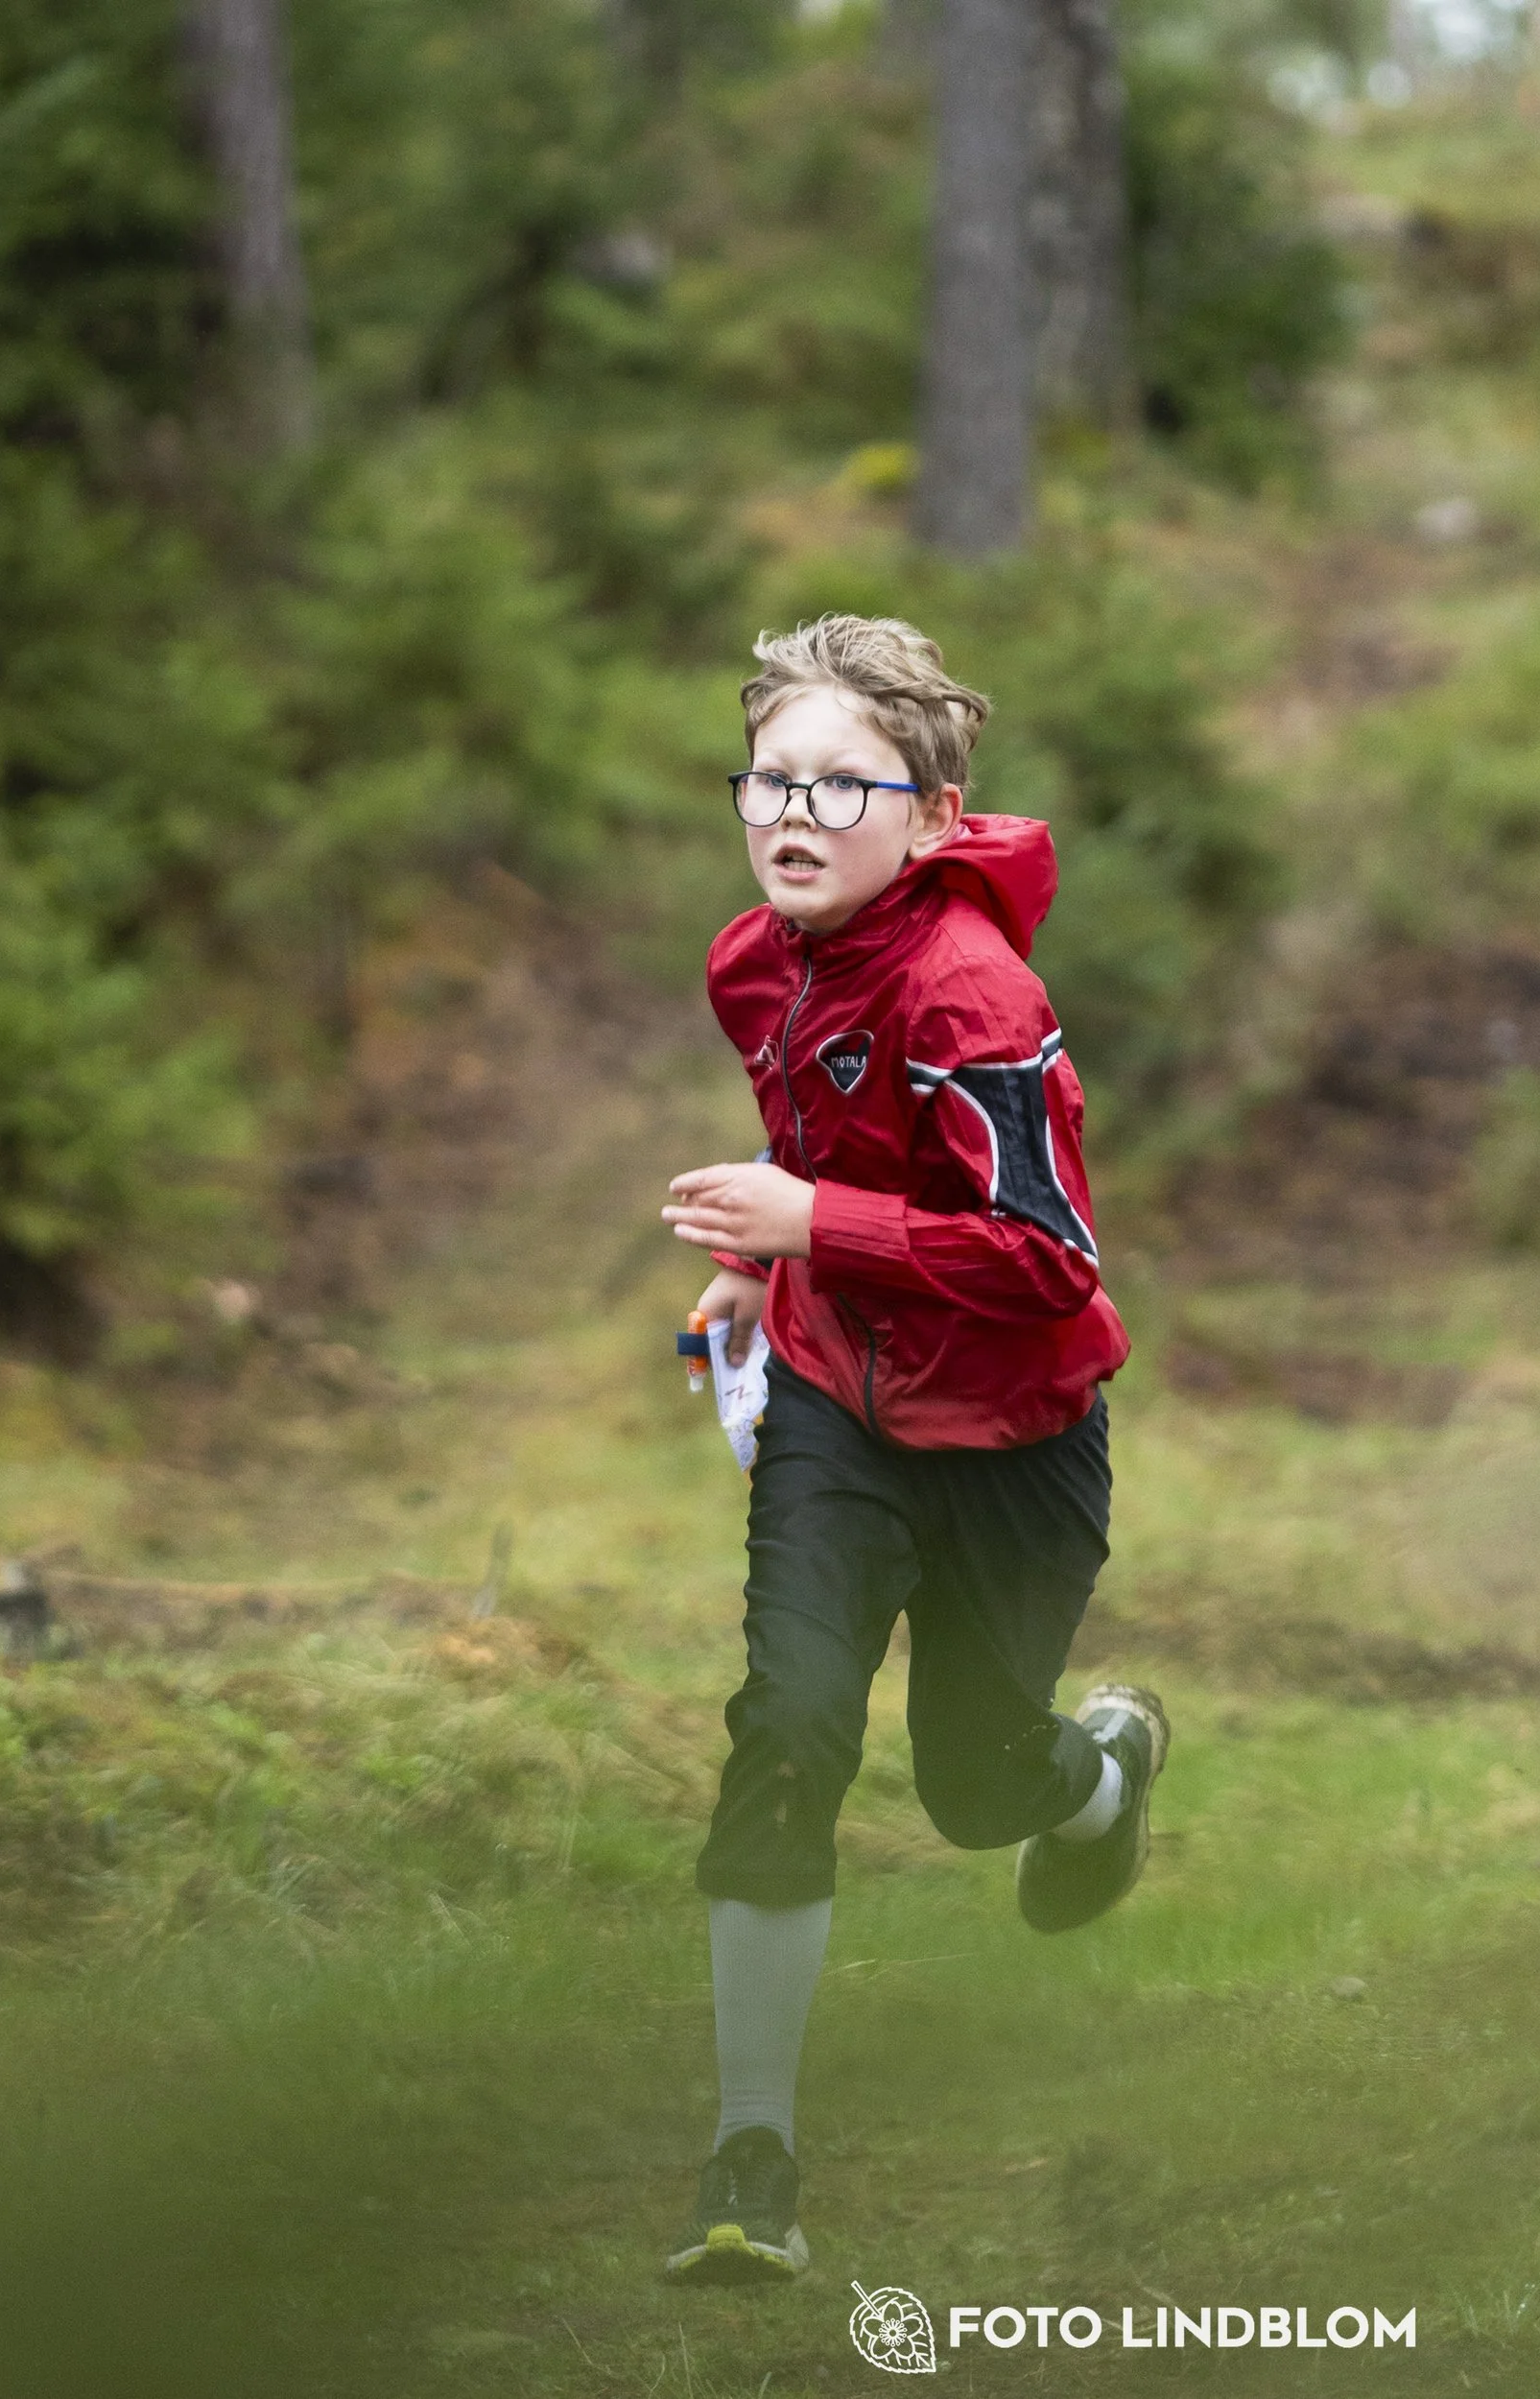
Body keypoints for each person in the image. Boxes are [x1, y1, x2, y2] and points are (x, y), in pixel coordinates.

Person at [655, 614, 1168, 2288]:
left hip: (1017, 1437)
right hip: (836, 1407)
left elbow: (1047, 1261)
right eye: (768, 781)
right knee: (788, 1725)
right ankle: (752, 2159)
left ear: (934, 817)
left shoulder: (974, 989)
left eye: (839, 786)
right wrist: (762, 1265)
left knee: (971, 1787)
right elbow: (825, 1136)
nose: (791, 816)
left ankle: (1100, 1776)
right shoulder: (753, 961)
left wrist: (811, 1221)